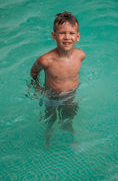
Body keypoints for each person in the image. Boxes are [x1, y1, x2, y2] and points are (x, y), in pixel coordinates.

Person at [30, 11, 86, 148]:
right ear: (54, 36)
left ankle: (69, 135)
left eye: (71, 33)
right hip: (52, 95)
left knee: (68, 117)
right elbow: (33, 72)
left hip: (71, 94)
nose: (67, 37)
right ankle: (48, 135)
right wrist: (37, 87)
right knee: (51, 118)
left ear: (77, 36)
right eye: (62, 33)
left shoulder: (80, 55)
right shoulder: (45, 60)